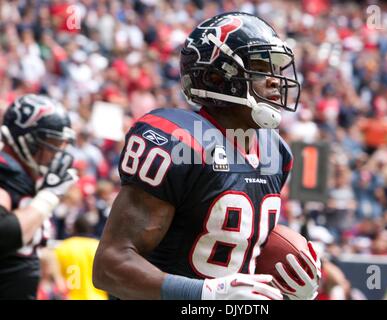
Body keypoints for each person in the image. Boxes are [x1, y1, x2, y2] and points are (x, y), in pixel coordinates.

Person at [93, 12, 321, 300]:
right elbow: (109, 267)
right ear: (217, 77)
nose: (276, 81)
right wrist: (204, 294)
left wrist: (285, 280)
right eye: (262, 68)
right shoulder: (178, 142)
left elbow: (232, 251)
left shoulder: (276, 153)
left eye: (276, 69)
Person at [0, 94, 78, 299]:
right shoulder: (5, 170)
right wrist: (48, 196)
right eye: (51, 143)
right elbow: (4, 233)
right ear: (27, 138)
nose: (56, 153)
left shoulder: (25, 179)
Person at [54, 215, 108, 300]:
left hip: (71, 297)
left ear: (74, 228)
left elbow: (57, 278)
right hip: (98, 297)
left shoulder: (64, 247)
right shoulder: (99, 247)